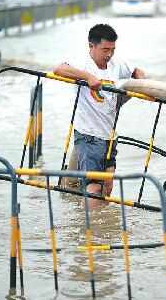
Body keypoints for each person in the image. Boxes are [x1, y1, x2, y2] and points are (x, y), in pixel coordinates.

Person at [53, 24, 146, 202]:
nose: (109, 54)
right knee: (93, 187)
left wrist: (142, 82)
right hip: (88, 134)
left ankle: (101, 227)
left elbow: (136, 70)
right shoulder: (82, 62)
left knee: (107, 186)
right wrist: (87, 77)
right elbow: (58, 69)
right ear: (91, 46)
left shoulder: (115, 63)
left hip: (109, 135)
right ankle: (88, 228)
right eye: (105, 50)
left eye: (112, 49)